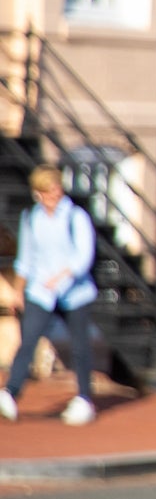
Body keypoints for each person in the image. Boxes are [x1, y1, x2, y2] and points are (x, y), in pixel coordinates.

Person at [3, 166, 101, 427]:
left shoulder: (75, 216)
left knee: (80, 346)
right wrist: (19, 290)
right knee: (29, 339)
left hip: (74, 291)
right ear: (38, 193)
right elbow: (26, 258)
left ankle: (84, 399)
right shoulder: (31, 218)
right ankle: (10, 393)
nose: (54, 194)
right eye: (48, 190)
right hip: (41, 291)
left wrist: (62, 276)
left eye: (56, 188)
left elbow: (84, 256)